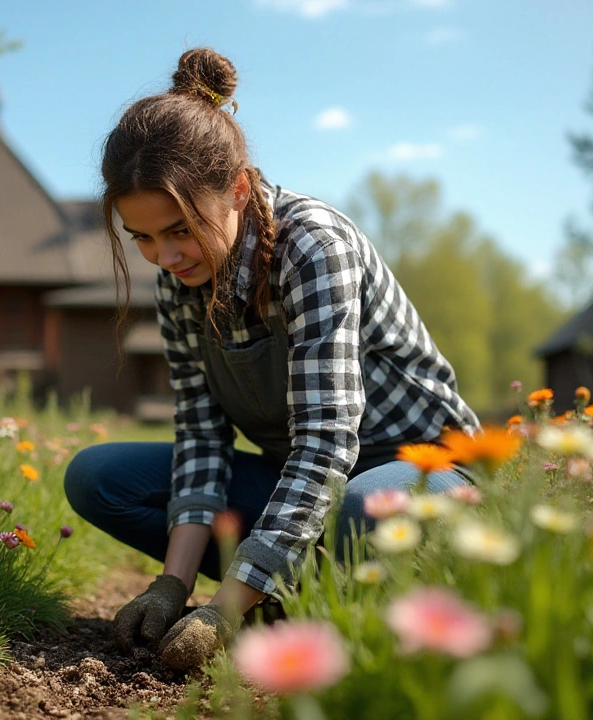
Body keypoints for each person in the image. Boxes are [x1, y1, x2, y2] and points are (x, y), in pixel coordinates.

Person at [64, 47, 480, 671]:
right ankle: (296, 594)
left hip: (417, 470)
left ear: (237, 188)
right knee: (98, 478)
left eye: (179, 228)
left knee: (365, 510)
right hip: (301, 489)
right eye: (142, 237)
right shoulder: (181, 279)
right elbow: (201, 439)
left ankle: (283, 597)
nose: (163, 256)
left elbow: (324, 442)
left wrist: (222, 608)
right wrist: (173, 586)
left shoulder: (314, 246)